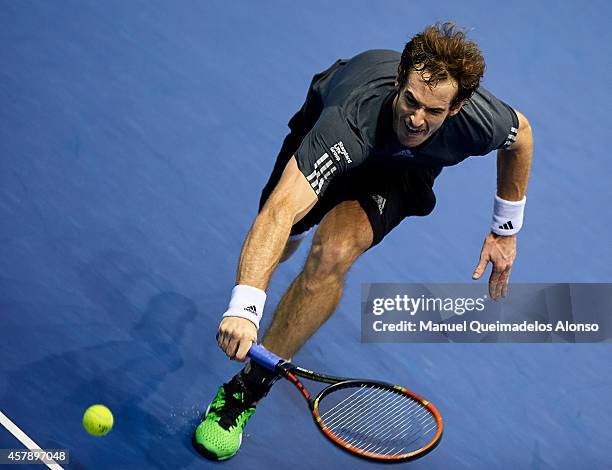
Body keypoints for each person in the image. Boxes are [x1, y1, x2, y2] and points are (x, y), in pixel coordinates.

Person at [193, 22, 533, 460]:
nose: (416, 117)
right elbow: (279, 209)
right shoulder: (346, 121)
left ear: (457, 108)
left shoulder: (480, 120)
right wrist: (245, 307)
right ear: (398, 82)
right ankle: (268, 274)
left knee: (332, 254)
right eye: (410, 100)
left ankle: (247, 390)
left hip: (403, 172)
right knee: (290, 231)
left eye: (433, 110)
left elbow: (521, 137)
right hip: (338, 139)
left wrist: (505, 229)